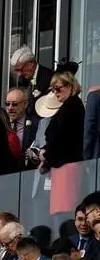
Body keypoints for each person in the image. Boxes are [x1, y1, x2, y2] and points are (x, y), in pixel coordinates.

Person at [38, 72, 86, 217]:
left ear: (70, 87)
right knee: (61, 212)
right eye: (52, 89)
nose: (55, 92)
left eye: (58, 88)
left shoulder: (72, 106)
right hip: (62, 166)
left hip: (66, 165)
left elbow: (62, 137)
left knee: (65, 213)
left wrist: (46, 154)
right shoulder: (67, 106)